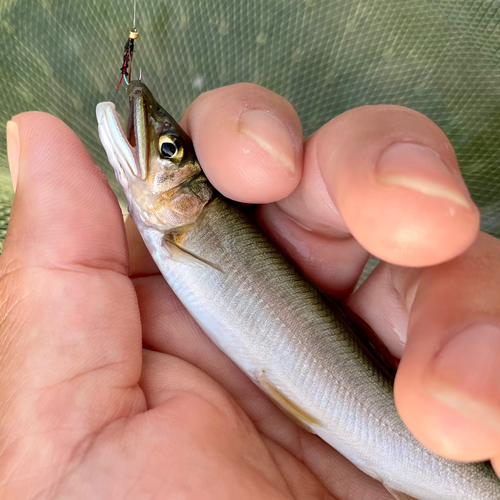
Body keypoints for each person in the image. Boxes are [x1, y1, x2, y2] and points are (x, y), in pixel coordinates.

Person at [0, 83, 499, 499]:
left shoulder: (175, 236)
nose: (157, 149)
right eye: (170, 151)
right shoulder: (170, 241)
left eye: (167, 151)